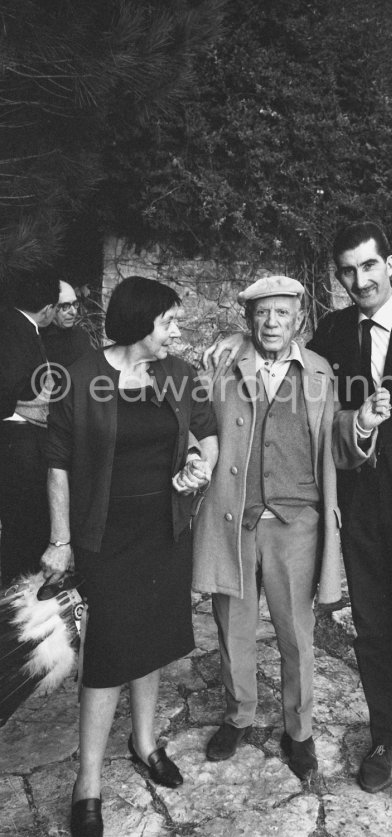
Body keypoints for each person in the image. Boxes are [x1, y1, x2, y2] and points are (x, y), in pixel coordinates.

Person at [203, 222, 392, 814]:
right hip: (359, 517)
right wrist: (238, 334)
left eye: (368, 267)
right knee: (374, 636)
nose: (359, 280)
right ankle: (384, 740)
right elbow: (279, 344)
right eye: (347, 272)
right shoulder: (334, 332)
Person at [193, 274, 389, 782]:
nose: (272, 322)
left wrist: (362, 422)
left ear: (299, 318)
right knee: (233, 628)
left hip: (297, 522)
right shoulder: (222, 364)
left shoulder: (319, 371)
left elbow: (337, 441)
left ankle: (298, 731)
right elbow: (195, 421)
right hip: (235, 517)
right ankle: (239, 715)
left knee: (296, 635)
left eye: (282, 313)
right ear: (249, 320)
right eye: (262, 314)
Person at [41, 276, 218, 837]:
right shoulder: (84, 378)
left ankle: (144, 745)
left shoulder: (179, 374)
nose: (177, 331)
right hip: (107, 536)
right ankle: (86, 782)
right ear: (142, 321)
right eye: (170, 321)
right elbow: (59, 463)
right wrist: (61, 539)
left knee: (154, 640)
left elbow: (209, 433)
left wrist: (201, 466)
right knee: (109, 654)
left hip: (165, 531)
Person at [0, 268, 60, 585]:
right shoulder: (17, 330)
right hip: (15, 441)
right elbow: (9, 382)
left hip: (18, 439)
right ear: (48, 308)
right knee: (21, 530)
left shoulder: (13, 323)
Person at [41, 280, 92, 368]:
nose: (73, 312)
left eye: (75, 304)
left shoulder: (81, 335)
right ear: (51, 307)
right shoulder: (38, 338)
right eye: (65, 306)